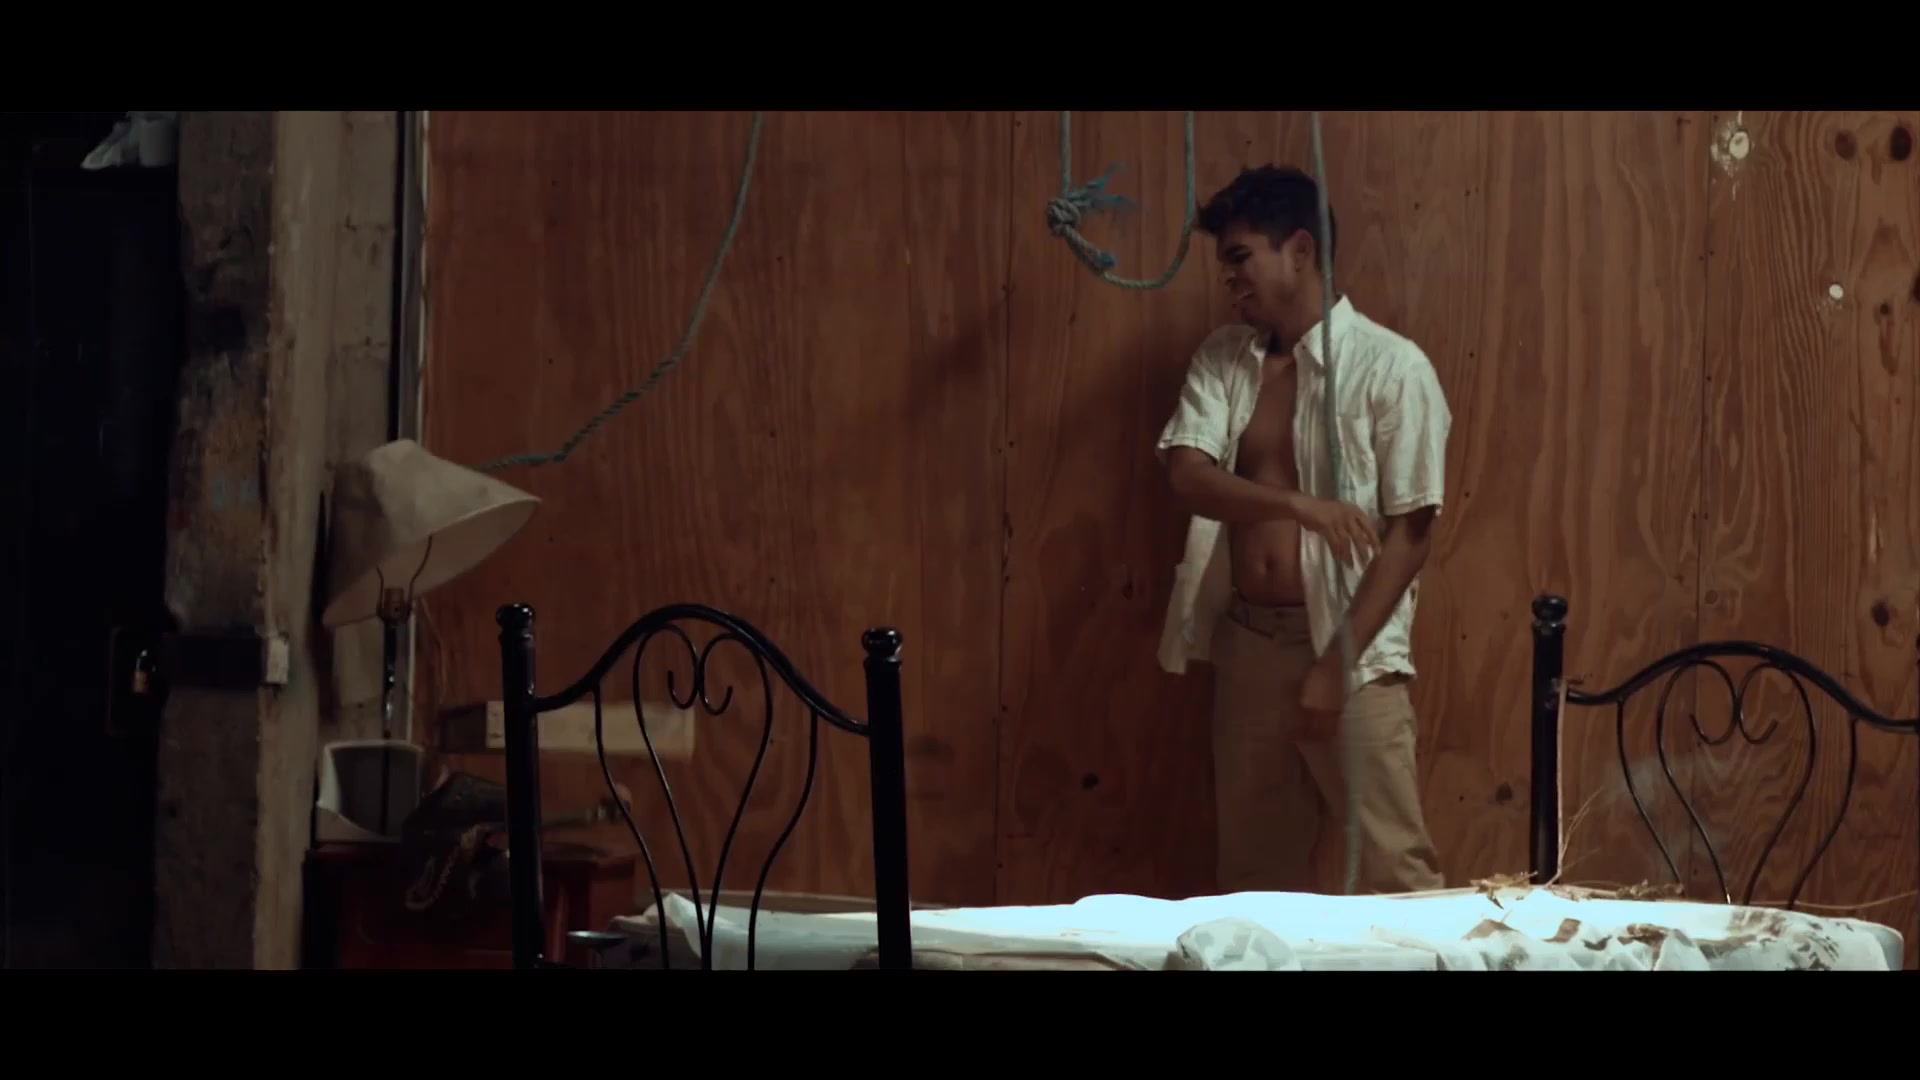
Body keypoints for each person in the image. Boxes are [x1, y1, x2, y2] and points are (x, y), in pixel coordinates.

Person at [1155, 164, 1448, 896]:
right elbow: (1186, 474)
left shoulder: (1392, 367)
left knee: (1393, 870)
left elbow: (1411, 535)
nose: (1229, 278)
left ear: (1300, 251)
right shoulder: (1226, 359)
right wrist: (1299, 505)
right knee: (1254, 875)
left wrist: (1334, 665)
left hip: (1353, 652)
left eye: (1240, 257)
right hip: (1248, 643)